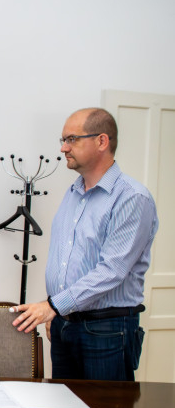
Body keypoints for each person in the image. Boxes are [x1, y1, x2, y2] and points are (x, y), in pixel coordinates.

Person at [12, 108, 158, 381]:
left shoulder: (132, 197)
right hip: (65, 323)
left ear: (102, 141)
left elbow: (112, 271)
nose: (63, 148)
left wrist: (54, 306)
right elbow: (66, 259)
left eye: (72, 139)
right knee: (64, 407)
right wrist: (59, 313)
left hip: (106, 330)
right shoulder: (74, 193)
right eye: (63, 140)